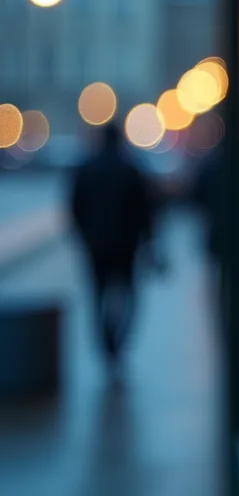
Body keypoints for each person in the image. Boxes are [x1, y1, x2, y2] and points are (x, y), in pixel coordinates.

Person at [69, 122, 158, 378]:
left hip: (96, 245)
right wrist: (148, 241)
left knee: (97, 295)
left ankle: (105, 344)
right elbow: (145, 211)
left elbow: (74, 207)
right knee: (128, 293)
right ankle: (118, 342)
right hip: (126, 246)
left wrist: (85, 236)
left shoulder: (86, 169)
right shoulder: (131, 170)